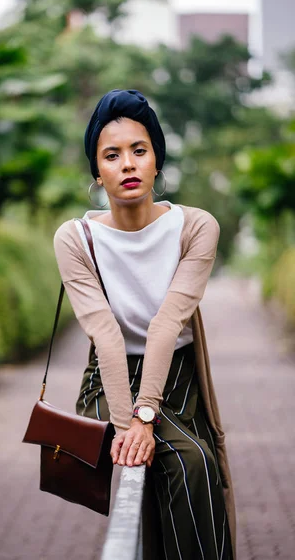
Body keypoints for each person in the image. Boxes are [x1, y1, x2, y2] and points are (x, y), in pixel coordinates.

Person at [53, 89, 236, 560]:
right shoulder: (77, 238)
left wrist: (146, 416)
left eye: (139, 150)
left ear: (157, 160)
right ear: (97, 172)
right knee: (159, 460)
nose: (128, 164)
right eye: (111, 155)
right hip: (108, 378)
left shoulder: (195, 227)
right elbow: (106, 336)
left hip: (176, 377)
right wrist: (127, 425)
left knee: (193, 461)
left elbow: (166, 324)